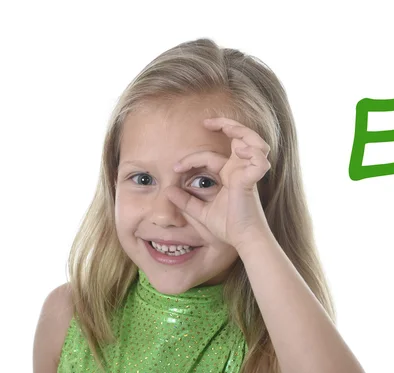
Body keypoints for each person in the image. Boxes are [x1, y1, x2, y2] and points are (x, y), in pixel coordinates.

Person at [32, 38, 365, 373]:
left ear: (260, 195)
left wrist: (250, 234)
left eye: (204, 182)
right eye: (143, 179)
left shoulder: (270, 348)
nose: (165, 215)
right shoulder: (70, 318)